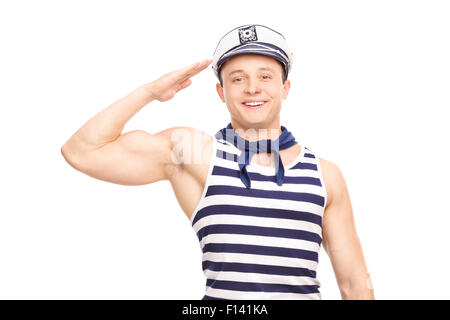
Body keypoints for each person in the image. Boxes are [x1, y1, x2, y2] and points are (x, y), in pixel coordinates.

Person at [61, 24, 374, 300]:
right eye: (238, 79)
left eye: (265, 76)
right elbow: (81, 151)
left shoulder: (324, 175)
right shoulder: (195, 152)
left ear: (285, 88)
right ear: (221, 92)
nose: (253, 87)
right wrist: (150, 92)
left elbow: (355, 286)